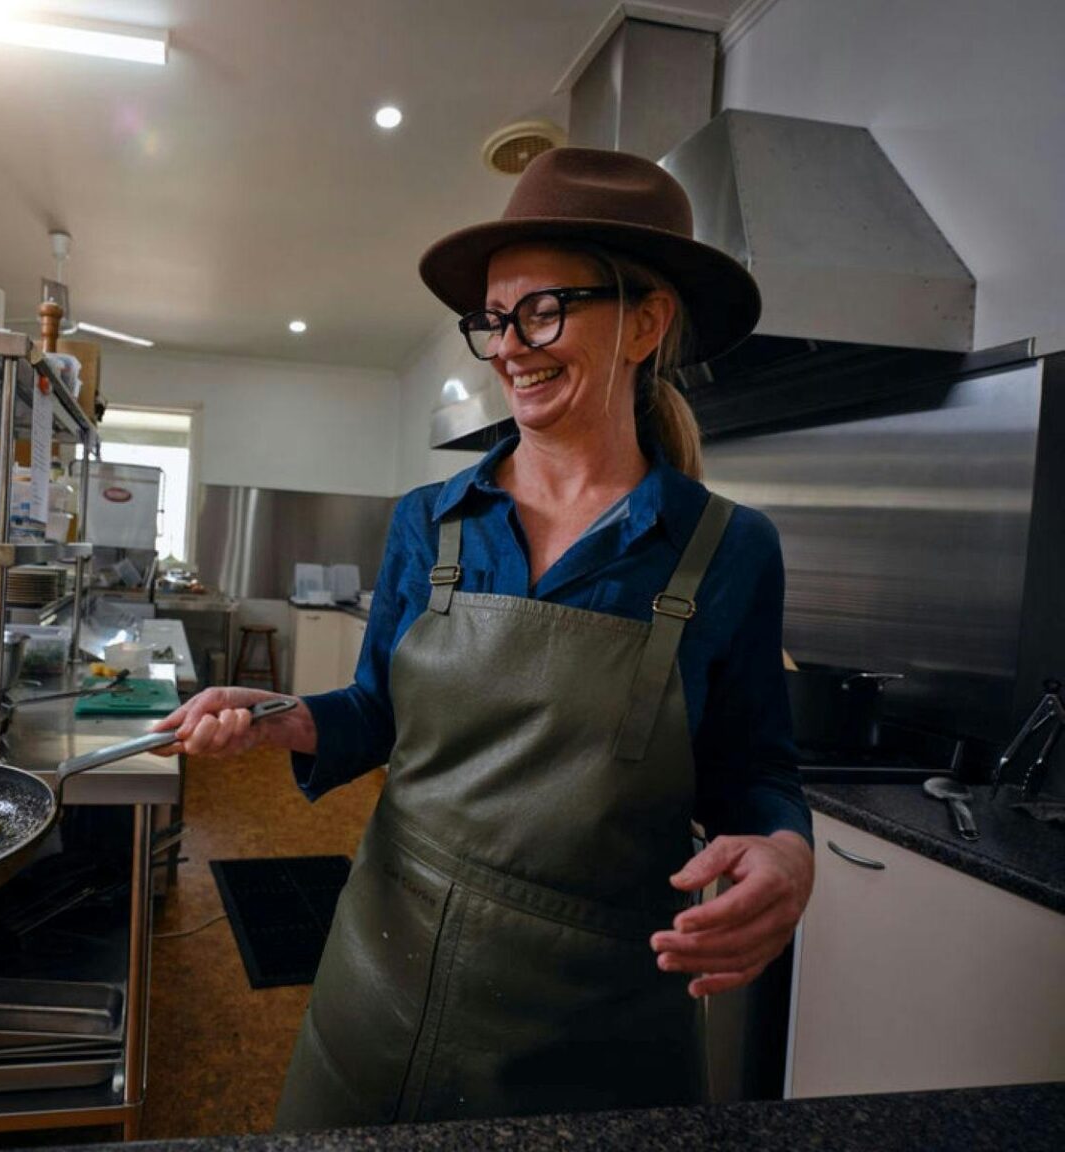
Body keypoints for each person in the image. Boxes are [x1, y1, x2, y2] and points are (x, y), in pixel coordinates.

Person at [150, 148, 814, 1129]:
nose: (509, 346)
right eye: (494, 320)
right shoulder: (433, 520)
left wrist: (788, 853)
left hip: (596, 1030)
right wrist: (277, 716)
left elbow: (754, 772)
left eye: (542, 310)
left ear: (646, 321)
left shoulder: (729, 552)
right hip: (383, 974)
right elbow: (378, 710)